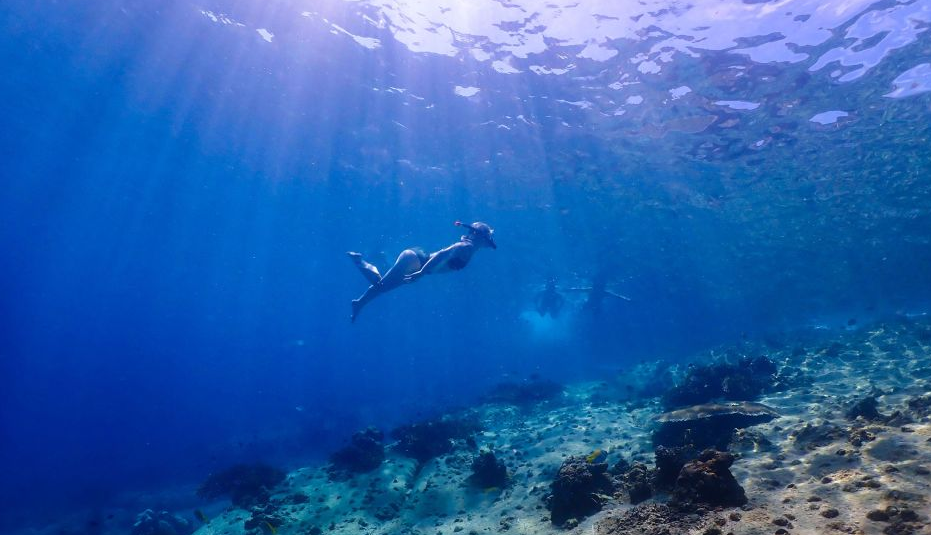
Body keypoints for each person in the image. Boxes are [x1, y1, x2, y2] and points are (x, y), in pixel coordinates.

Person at [347, 221, 496, 322]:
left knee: (383, 286)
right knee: (382, 286)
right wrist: (422, 272)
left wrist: (422, 272)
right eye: (486, 239)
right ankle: (360, 262)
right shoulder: (466, 247)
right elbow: (441, 255)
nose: (487, 243)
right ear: (478, 235)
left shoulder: (468, 248)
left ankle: (359, 303)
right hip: (417, 261)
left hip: (416, 260)